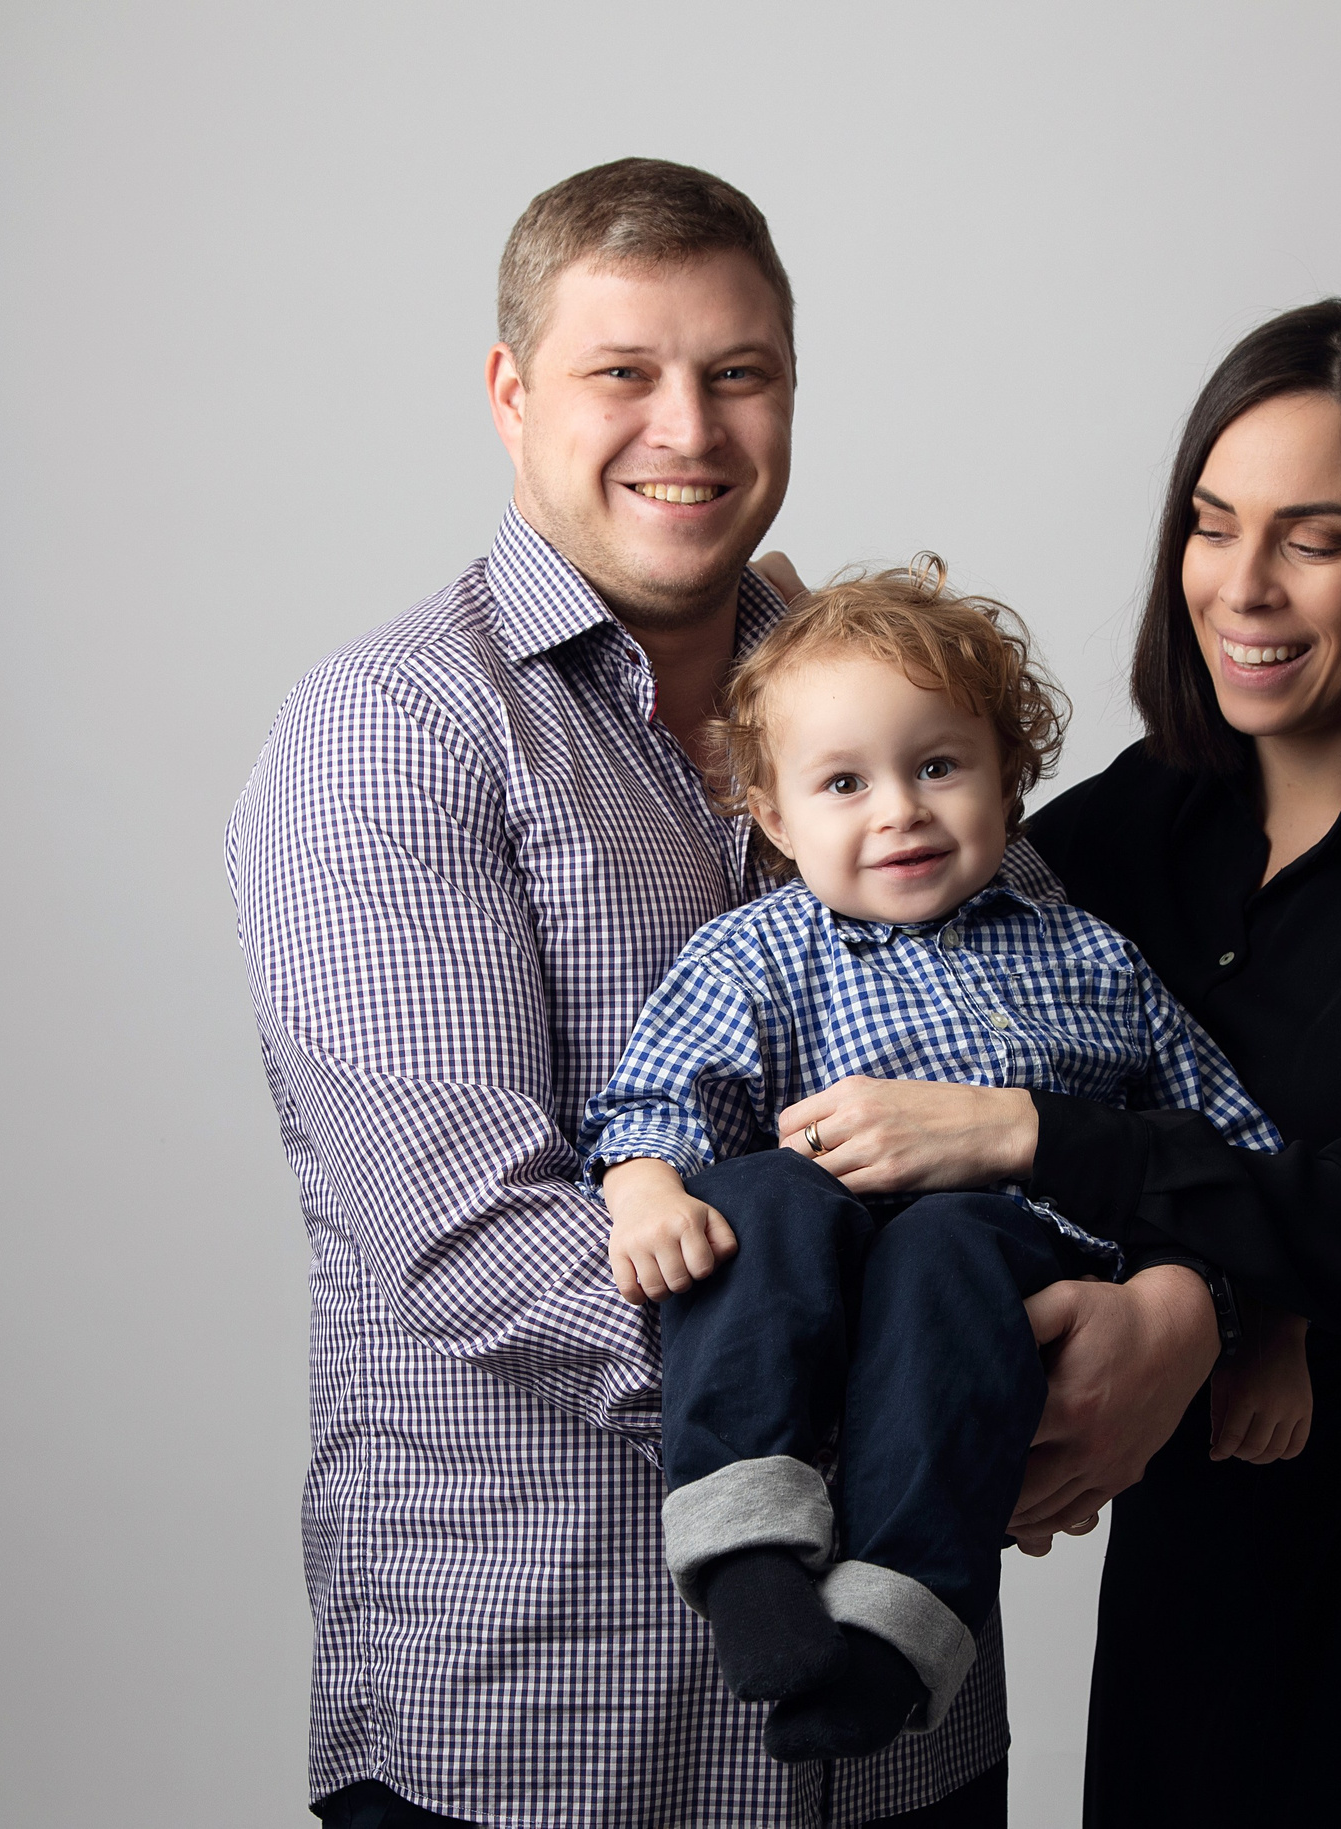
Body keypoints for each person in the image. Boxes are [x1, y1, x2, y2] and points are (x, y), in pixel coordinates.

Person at [768, 297, 1341, 1825]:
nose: (1239, 587)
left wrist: (1029, 1140)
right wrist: (786, 653)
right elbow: (895, 926)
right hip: (1210, 1564)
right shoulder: (1139, 822)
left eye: (1316, 538)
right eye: (1211, 522)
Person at [228, 159, 1010, 1829]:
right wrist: (940, 1371)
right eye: (623, 373)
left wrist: (1141, 1303)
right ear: (511, 394)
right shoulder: (395, 734)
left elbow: (1051, 1018)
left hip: (904, 1732)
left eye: (740, 373)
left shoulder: (883, 688)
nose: (693, 427)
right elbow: (472, 1236)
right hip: (553, 1722)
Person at [575, 563, 1293, 1766]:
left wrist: (1272, 1330)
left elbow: (1229, 1147)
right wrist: (641, 1183)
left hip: (1012, 1257)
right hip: (828, 1256)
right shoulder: (757, 950)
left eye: (938, 766)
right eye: (843, 783)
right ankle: (746, 1541)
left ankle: (898, 1625)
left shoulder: (1087, 953)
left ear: (1007, 781)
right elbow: (660, 1094)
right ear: (774, 815)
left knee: (948, 1240)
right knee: (751, 1192)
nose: (897, 810)